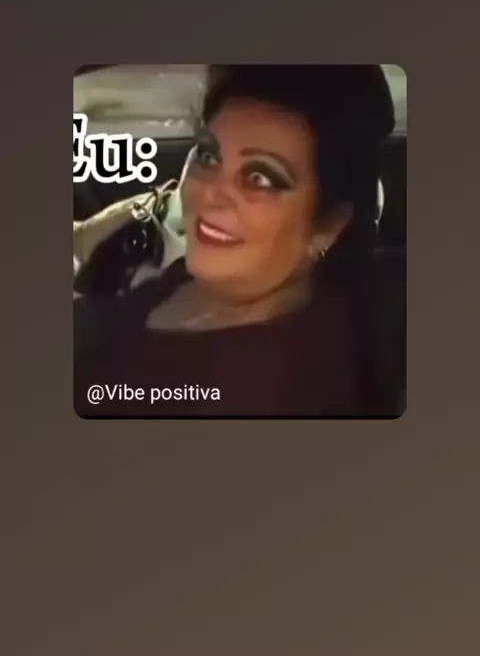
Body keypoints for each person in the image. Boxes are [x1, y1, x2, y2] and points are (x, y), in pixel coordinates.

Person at [74, 64, 396, 418]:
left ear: (328, 226)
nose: (209, 192)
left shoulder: (255, 389)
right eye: (208, 156)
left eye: (260, 178)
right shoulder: (231, 281)